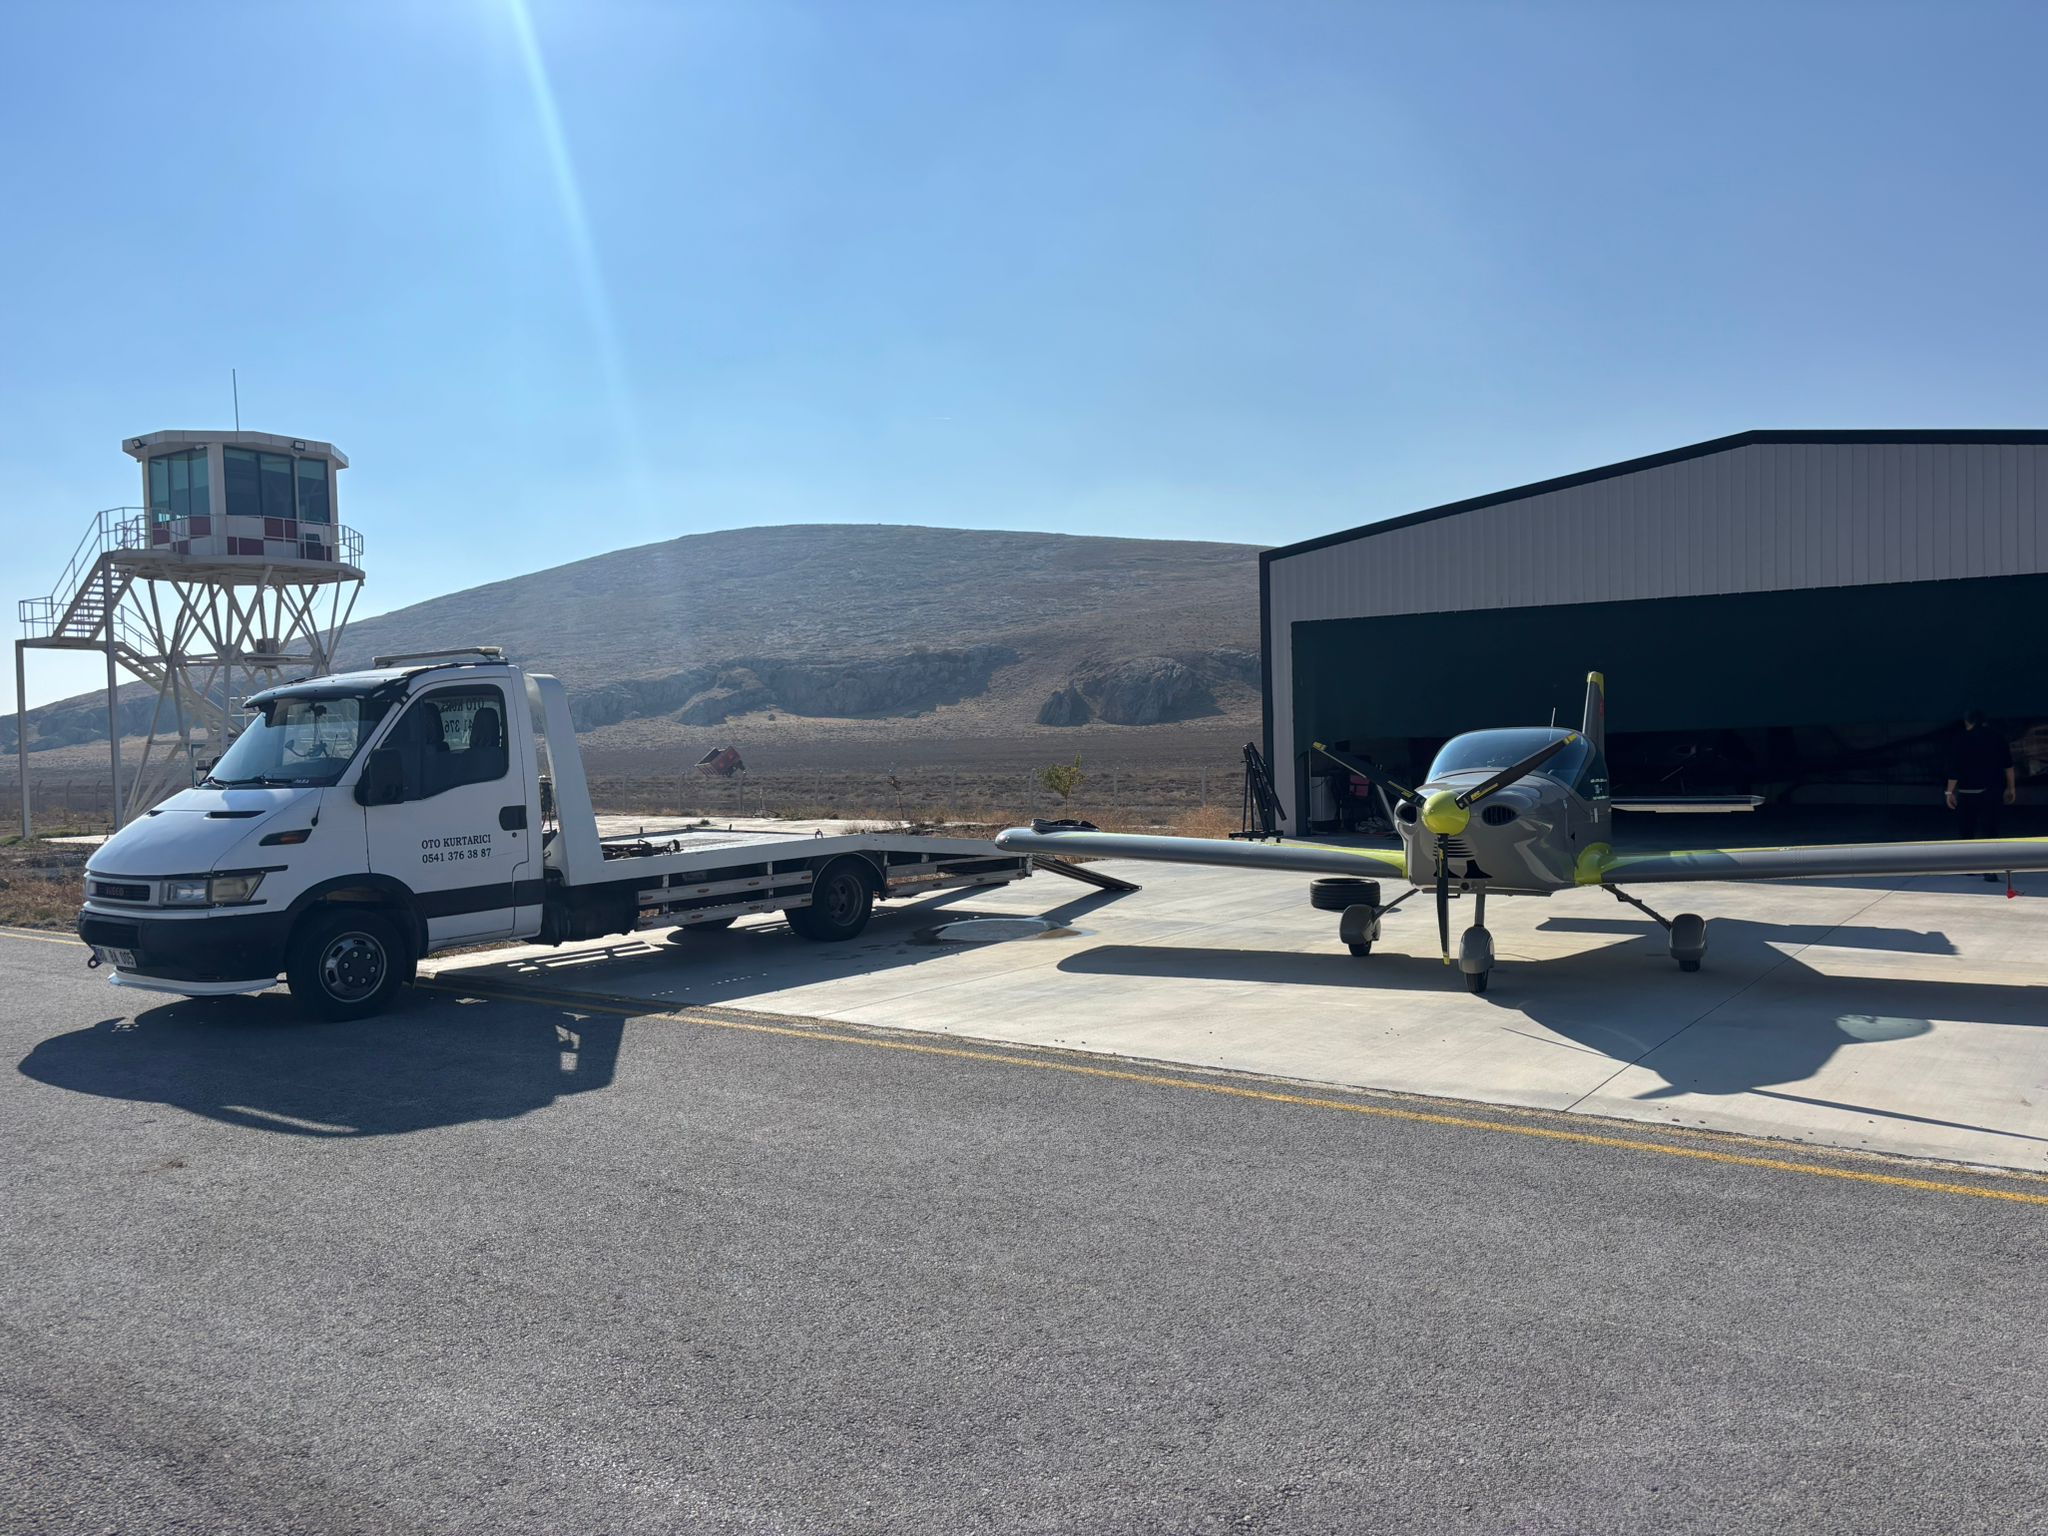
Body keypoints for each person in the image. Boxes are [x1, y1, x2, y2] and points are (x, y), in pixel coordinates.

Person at [1945, 709, 2017, 881]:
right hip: (1991, 791)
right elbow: (2008, 766)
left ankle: (1970, 866)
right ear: (1985, 721)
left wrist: (1949, 792)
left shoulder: (1960, 739)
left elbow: (1954, 769)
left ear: (1967, 722)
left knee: (1967, 829)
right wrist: (2011, 788)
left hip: (1967, 792)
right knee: (1990, 830)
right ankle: (1990, 869)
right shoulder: (1997, 738)